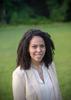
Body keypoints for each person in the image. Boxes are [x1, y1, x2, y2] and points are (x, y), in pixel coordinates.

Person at [12, 29, 62, 100]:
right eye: (34, 46)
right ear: (27, 49)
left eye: (42, 46)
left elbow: (58, 94)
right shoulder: (19, 74)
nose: (39, 50)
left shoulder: (51, 66)